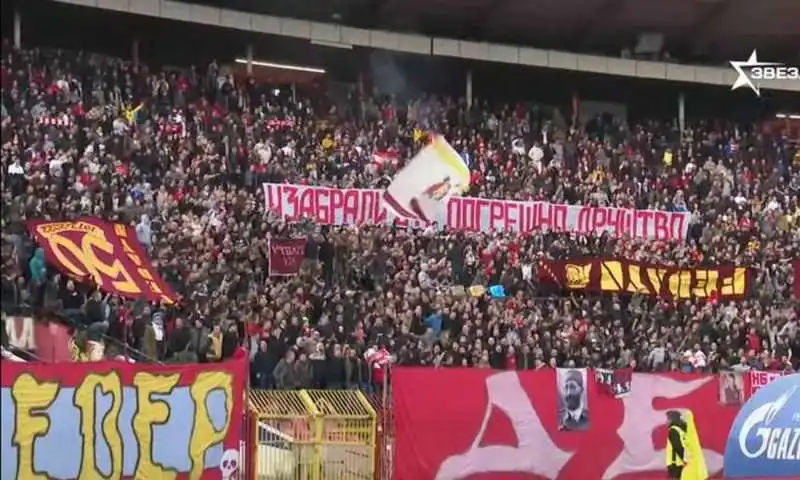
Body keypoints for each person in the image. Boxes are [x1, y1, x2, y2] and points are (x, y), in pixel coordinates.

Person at [665, 410, 688, 479]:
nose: (666, 421)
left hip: (675, 463)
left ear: (673, 420)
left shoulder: (673, 431)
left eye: (668, 419)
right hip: (680, 462)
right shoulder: (681, 430)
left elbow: (677, 446)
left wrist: (684, 459)